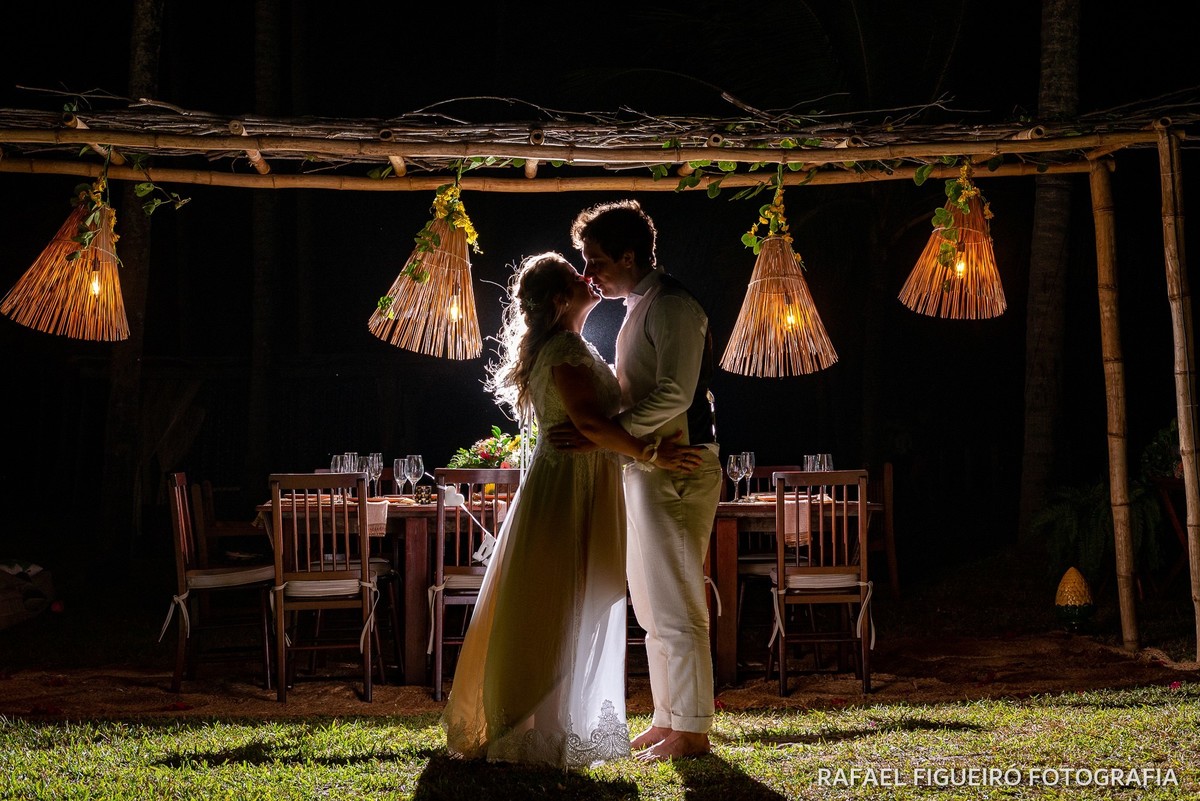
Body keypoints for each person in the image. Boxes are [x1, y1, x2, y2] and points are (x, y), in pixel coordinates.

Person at [440, 252, 704, 769]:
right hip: (567, 489)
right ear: (561, 299)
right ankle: (536, 725)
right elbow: (588, 421)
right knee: (560, 599)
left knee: (569, 599)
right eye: (577, 275)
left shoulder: (572, 346)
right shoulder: (563, 348)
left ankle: (554, 722)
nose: (590, 277)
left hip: (582, 482)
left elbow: (594, 424)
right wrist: (653, 452)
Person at [552, 199, 722, 761]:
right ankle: (668, 716)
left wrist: (608, 432)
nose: (588, 272)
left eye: (596, 260)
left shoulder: (673, 306)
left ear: (629, 256)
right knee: (650, 605)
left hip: (679, 465)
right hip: (646, 463)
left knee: (676, 599)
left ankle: (693, 729)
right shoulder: (637, 306)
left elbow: (675, 392)